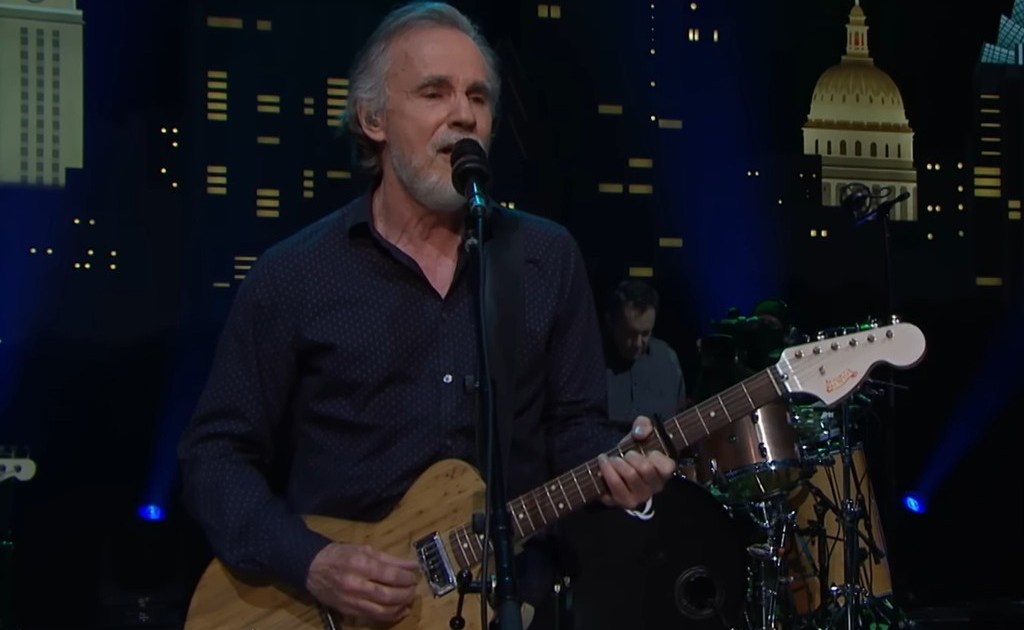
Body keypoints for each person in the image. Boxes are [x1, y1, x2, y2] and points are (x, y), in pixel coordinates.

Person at [177, 3, 674, 626]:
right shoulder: (295, 275)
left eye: (478, 97)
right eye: (434, 92)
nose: (464, 114)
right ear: (373, 119)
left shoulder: (547, 259)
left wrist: (622, 469)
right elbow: (214, 454)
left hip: (512, 605)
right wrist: (311, 561)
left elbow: (575, 429)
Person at [603, 279, 686, 426]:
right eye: (629, 334)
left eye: (646, 333)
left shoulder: (667, 360)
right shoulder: (590, 364)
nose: (637, 343)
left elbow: (680, 418)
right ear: (610, 322)